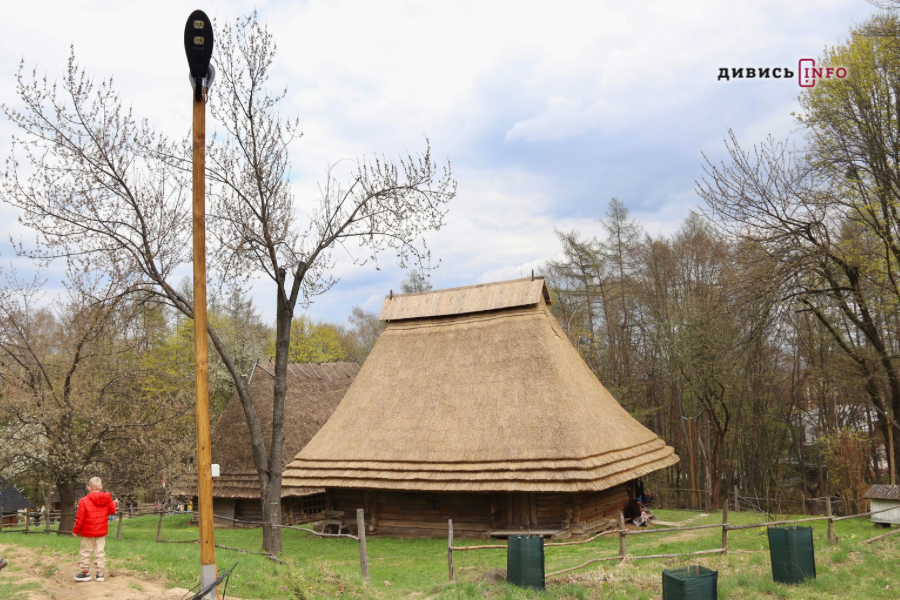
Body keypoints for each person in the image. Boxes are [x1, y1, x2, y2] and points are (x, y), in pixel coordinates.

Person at [72, 477, 117, 583]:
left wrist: (76, 530)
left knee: (85, 551)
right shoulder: (107, 499)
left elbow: (80, 518)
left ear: (89, 488)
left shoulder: (83, 501)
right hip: (101, 532)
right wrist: (114, 503)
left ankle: (85, 573)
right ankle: (100, 574)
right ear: (101, 487)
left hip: (87, 532)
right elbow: (112, 511)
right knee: (100, 551)